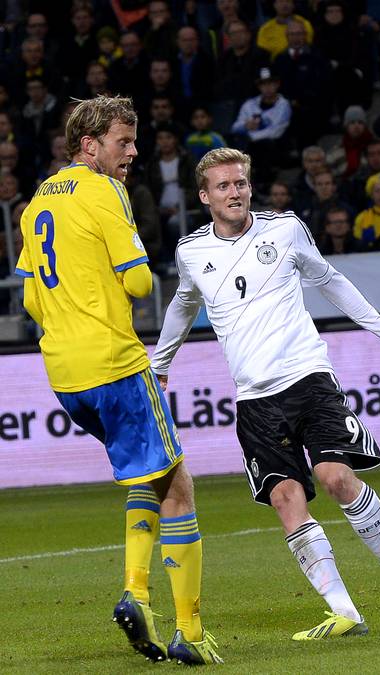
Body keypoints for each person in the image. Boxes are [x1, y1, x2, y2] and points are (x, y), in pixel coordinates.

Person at [151, 148, 380, 641]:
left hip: (307, 377)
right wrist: (161, 363)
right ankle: (345, 612)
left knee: (336, 478)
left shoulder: (284, 229)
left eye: (240, 183)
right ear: (204, 196)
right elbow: (182, 303)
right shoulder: (192, 251)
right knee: (285, 498)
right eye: (223, 186)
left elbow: (330, 281)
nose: (234, 192)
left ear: (249, 187)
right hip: (254, 399)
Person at [14, 95, 221, 665]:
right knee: (179, 488)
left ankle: (137, 594)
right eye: (123, 142)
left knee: (146, 474)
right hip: (115, 362)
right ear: (90, 145)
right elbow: (135, 284)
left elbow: (32, 295)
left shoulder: (36, 203)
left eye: (133, 141)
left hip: (63, 371)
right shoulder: (105, 191)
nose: (133, 151)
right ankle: (188, 631)